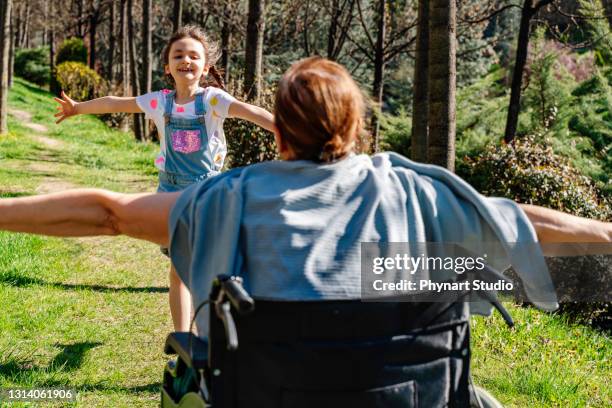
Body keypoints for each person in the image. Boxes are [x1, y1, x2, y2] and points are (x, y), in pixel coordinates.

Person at [4, 56, 610, 326]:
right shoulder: (413, 196)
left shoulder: (231, 202)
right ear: (354, 131)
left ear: (280, 137)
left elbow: (108, 213)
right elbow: (523, 226)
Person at [53, 25, 275, 332]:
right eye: (178, 55)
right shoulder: (160, 102)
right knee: (178, 271)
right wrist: (78, 108)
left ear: (205, 66)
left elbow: (253, 112)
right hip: (169, 192)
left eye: (193, 55)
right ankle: (184, 339)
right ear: (167, 66)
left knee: (209, 270)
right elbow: (116, 103)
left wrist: (285, 129)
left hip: (207, 192)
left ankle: (217, 338)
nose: (186, 60)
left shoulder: (213, 100)